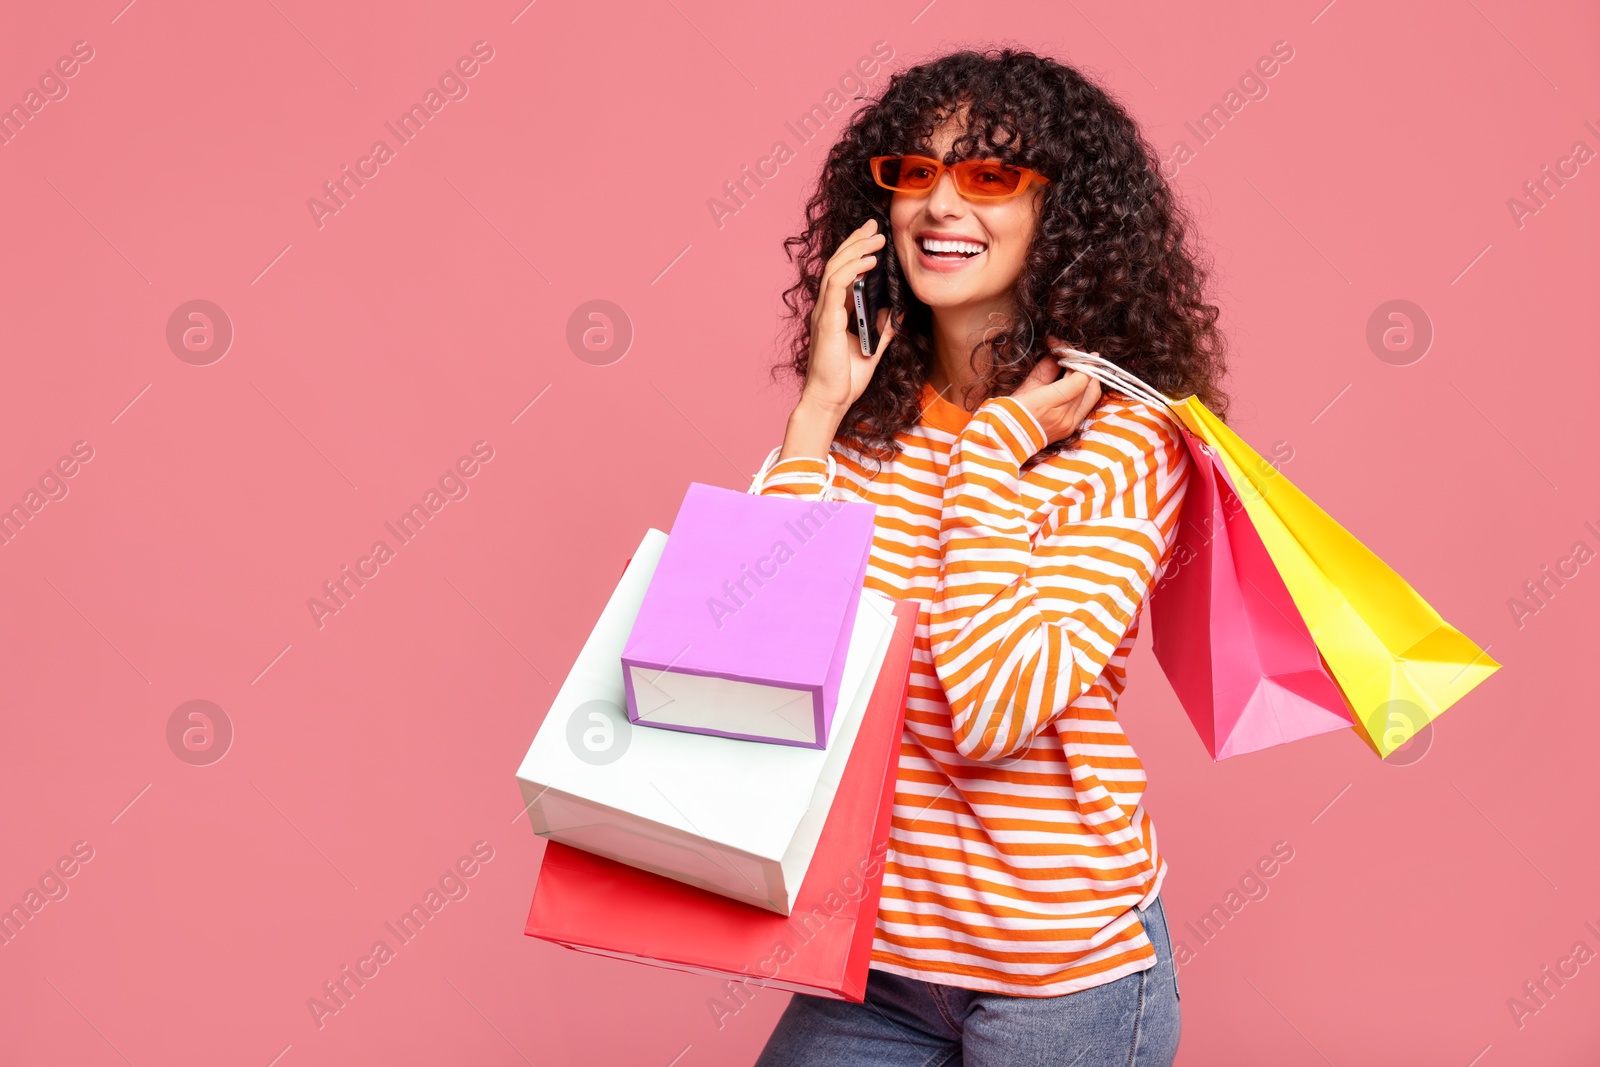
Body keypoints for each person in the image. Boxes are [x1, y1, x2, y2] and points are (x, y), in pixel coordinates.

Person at [747, 48, 1230, 1067]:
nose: (939, 203)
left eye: (989, 176)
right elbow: (754, 662)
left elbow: (995, 705)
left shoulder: (1125, 444)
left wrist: (994, 445)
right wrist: (816, 410)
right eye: (914, 172)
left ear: (1067, 213)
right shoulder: (857, 432)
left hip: (1061, 974)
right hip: (875, 961)